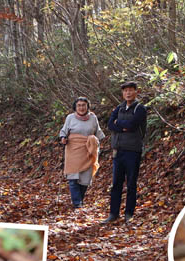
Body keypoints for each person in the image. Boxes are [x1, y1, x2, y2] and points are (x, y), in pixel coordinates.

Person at [103, 81, 146, 223]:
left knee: (131, 183)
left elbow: (132, 125)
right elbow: (110, 124)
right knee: (116, 183)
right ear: (122, 93)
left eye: (130, 90)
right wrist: (122, 126)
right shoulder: (119, 108)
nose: (128, 93)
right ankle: (113, 213)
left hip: (133, 150)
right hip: (118, 150)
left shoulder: (139, 108)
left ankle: (129, 213)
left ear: (136, 92)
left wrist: (118, 124)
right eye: (125, 91)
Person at [59, 97, 105, 208]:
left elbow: (99, 133)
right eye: (79, 105)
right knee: (73, 177)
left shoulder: (93, 118)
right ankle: (77, 204)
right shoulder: (70, 117)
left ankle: (79, 200)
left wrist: (94, 143)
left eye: (83, 105)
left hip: (88, 150)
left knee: (85, 178)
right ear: (75, 107)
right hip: (73, 149)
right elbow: (63, 131)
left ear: (87, 106)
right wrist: (63, 138)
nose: (81, 107)